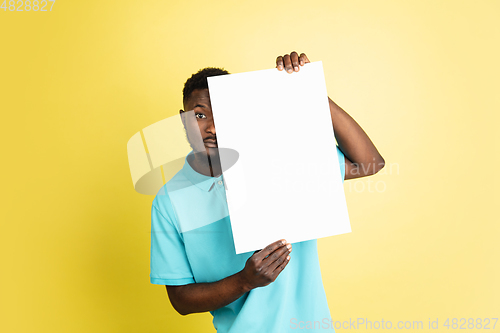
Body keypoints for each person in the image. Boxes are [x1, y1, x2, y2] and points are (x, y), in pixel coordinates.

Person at [150, 52, 385, 332]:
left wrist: (310, 91)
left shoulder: (280, 163)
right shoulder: (169, 201)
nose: (211, 127)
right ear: (183, 119)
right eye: (199, 114)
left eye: (223, 112)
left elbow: (369, 162)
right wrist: (245, 280)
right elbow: (180, 300)